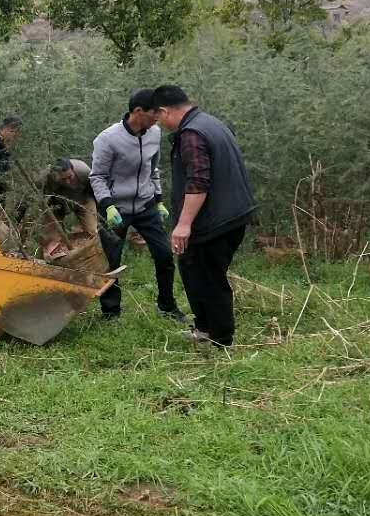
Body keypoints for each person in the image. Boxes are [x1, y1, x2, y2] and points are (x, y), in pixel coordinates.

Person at [151, 84, 255, 348]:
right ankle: (204, 328)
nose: (159, 124)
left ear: (165, 111)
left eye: (158, 118)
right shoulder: (211, 123)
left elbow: (198, 181)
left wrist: (183, 224)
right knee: (193, 271)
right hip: (231, 214)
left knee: (209, 278)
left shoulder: (192, 134)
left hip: (215, 221)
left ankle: (221, 339)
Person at [90, 88, 183, 322]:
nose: (158, 117)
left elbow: (153, 169)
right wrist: (108, 205)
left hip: (145, 206)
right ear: (138, 111)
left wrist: (158, 199)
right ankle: (110, 312)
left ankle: (167, 306)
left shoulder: (154, 133)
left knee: (164, 255)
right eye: (154, 112)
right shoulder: (107, 139)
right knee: (111, 261)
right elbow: (97, 176)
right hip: (115, 210)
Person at [37, 157, 99, 255]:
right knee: (51, 238)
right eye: (63, 179)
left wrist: (99, 212)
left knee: (92, 232)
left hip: (83, 199)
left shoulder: (84, 171)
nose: (67, 182)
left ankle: (93, 255)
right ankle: (54, 259)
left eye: (70, 177)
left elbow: (95, 192)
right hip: (57, 204)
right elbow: (39, 197)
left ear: (73, 170)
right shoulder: (45, 177)